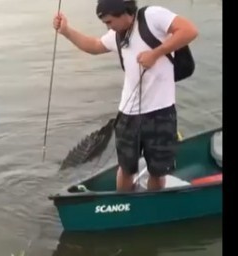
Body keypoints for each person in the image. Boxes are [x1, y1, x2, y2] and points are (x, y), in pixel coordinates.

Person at [52, 0, 199, 191]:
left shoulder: (152, 16)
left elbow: (189, 31)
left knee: (158, 170)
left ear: (124, 13)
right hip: (128, 114)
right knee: (126, 168)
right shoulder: (118, 35)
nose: (108, 27)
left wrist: (156, 54)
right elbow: (95, 46)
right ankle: (123, 206)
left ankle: (151, 207)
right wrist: (67, 31)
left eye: (109, 22)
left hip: (161, 112)